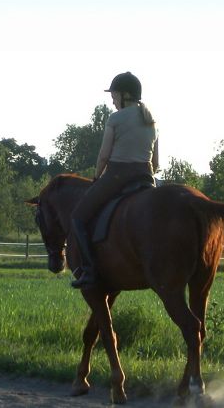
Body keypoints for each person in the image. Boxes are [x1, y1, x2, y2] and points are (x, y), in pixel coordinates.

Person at [69, 72, 159, 289]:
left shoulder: (115, 119)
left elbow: (103, 156)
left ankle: (89, 271)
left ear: (125, 95)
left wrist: (97, 177)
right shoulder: (152, 121)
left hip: (118, 176)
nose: (112, 99)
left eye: (114, 94)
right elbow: (155, 163)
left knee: (78, 218)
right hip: (146, 178)